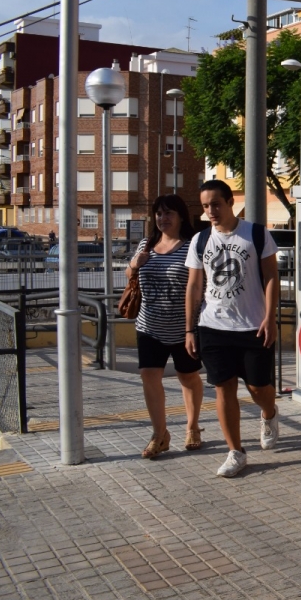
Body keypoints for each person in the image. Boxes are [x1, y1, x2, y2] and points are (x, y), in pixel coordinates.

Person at [184, 180, 280, 478]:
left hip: (253, 325)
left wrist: (270, 317)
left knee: (258, 388)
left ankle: (269, 413)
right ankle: (236, 451)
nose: (210, 211)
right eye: (205, 206)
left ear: (229, 203)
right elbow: (194, 286)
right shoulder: (200, 240)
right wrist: (189, 330)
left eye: (215, 204)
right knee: (224, 388)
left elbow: (271, 277)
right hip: (213, 326)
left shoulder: (255, 234)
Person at [128, 195, 205, 459]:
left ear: (181, 216)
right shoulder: (146, 244)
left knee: (188, 377)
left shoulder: (192, 246)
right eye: (159, 214)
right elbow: (130, 274)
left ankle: (193, 427)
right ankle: (159, 434)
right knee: (149, 377)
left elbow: (197, 287)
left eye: (169, 213)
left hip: (184, 327)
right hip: (148, 325)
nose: (163, 218)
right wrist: (133, 265)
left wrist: (191, 329)